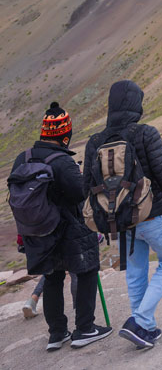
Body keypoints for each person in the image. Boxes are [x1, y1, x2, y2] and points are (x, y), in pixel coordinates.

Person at [84, 80, 162, 350]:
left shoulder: (95, 142)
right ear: (136, 104)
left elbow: (86, 185)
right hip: (153, 214)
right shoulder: (145, 133)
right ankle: (140, 320)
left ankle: (145, 329)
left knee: (135, 272)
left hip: (120, 221)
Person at [13, 102, 112, 351]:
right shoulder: (61, 161)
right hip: (68, 230)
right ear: (65, 134)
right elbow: (80, 193)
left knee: (52, 277)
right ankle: (85, 329)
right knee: (87, 270)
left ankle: (57, 334)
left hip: (35, 233)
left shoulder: (21, 159)